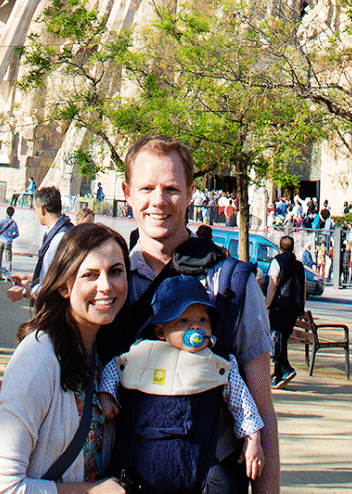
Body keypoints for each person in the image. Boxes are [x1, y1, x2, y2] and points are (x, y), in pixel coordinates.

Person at [104, 134, 279, 494]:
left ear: (190, 193)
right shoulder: (106, 282)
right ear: (127, 192)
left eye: (171, 188)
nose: (158, 201)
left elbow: (261, 404)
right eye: (146, 188)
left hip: (208, 478)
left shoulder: (232, 284)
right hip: (120, 477)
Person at [0, 222, 130, 494]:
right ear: (64, 287)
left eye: (116, 272)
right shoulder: (38, 356)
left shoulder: (99, 351)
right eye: (90, 275)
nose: (106, 286)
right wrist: (91, 491)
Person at [100, 276, 263, 493]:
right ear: (160, 331)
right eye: (183, 321)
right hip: (142, 467)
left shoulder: (218, 363)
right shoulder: (141, 354)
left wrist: (252, 439)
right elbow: (114, 369)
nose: (195, 326)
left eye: (203, 320)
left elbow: (242, 403)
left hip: (198, 462)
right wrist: (106, 394)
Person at [8, 185, 73, 303]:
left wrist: (25, 292)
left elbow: (54, 284)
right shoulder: (64, 231)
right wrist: (32, 279)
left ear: (42, 209)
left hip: (56, 309)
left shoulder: (59, 239)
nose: (36, 213)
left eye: (35, 209)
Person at [265, 235, 305, 389]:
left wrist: (267, 304)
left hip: (279, 306)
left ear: (279, 247)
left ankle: (286, 369)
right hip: (293, 307)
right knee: (281, 340)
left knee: (276, 338)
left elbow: (273, 284)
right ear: (293, 248)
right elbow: (302, 289)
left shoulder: (277, 261)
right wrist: (301, 306)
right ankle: (278, 376)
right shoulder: (299, 266)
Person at [0, 205, 20, 281]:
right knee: (8, 260)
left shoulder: (2, 221)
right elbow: (17, 234)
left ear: (6, 212)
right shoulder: (14, 223)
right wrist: (11, 237)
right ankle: (8, 276)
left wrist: (0, 234)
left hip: (1, 241)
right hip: (8, 242)